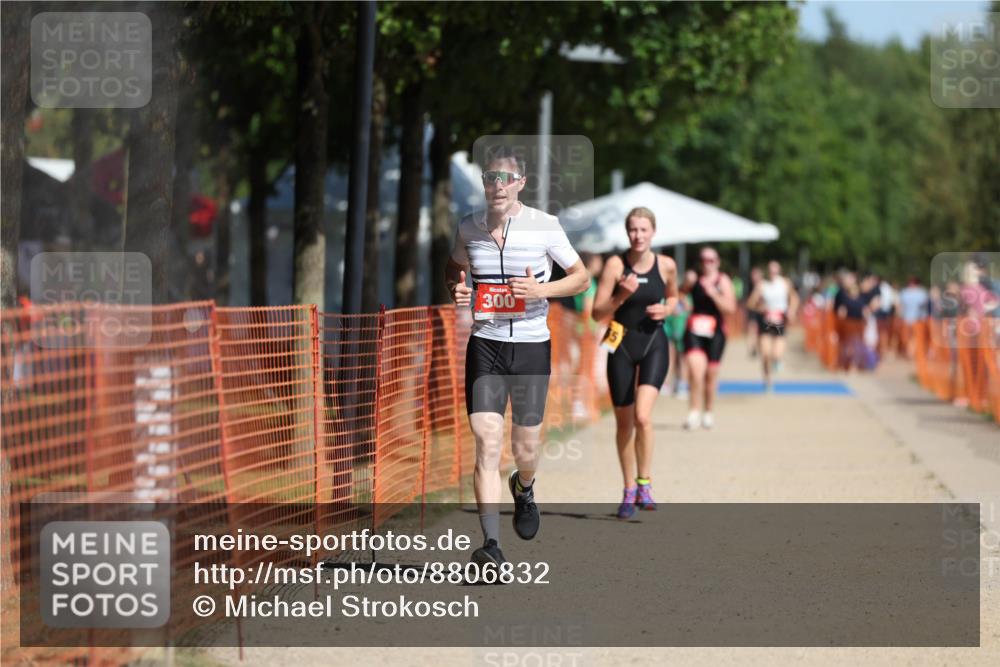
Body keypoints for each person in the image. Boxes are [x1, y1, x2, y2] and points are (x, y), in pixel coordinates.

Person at [445, 148, 589, 570]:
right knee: (486, 442)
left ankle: (524, 486)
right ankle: (491, 545)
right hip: (485, 344)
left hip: (530, 346)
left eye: (506, 178)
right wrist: (455, 288)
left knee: (525, 448)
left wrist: (542, 292)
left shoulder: (545, 227)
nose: (498, 185)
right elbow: (453, 268)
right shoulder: (469, 228)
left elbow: (581, 278)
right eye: (491, 177)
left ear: (521, 184)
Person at [591, 207, 678, 519]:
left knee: (643, 416)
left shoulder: (666, 265)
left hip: (654, 343)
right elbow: (597, 314)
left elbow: (674, 297)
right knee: (624, 422)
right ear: (627, 233)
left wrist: (667, 311)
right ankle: (628, 489)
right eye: (633, 230)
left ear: (653, 232)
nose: (638, 236)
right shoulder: (616, 265)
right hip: (621, 345)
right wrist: (620, 297)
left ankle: (645, 482)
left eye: (643, 230)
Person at [681, 247, 737, 430]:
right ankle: (693, 411)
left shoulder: (723, 281)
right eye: (704, 260)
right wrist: (684, 302)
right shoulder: (693, 278)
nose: (707, 263)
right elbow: (678, 294)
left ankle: (708, 411)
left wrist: (714, 294)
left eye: (711, 260)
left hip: (716, 332)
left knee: (710, 376)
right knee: (696, 373)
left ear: (718, 262)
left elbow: (730, 308)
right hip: (694, 330)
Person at [746, 260, 799, 391]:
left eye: (775, 271)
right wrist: (760, 307)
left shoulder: (785, 283)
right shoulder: (762, 285)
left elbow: (794, 298)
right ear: (767, 272)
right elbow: (750, 303)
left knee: (776, 353)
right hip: (766, 320)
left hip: (779, 320)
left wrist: (791, 310)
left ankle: (777, 361)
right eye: (770, 271)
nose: (773, 273)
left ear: (779, 271)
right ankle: (767, 380)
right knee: (765, 353)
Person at [898, 277, 929, 357]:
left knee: (913, 337)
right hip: (910, 319)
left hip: (915, 319)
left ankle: (911, 352)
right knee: (909, 337)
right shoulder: (921, 293)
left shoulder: (919, 292)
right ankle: (911, 352)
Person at [745, 266, 764, 357]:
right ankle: (752, 348)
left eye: (757, 275)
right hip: (752, 312)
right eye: (753, 275)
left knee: (761, 332)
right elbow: (749, 302)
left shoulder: (765, 286)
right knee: (752, 329)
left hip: (763, 313)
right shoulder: (749, 286)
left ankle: (759, 347)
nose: (754, 277)